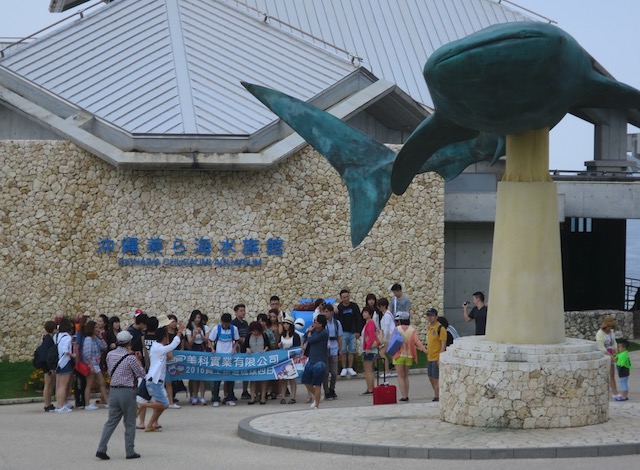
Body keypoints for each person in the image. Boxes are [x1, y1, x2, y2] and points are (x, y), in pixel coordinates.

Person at [95, 331, 146, 460]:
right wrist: (139, 359)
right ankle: (130, 451)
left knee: (111, 422)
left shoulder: (110, 355)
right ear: (129, 342)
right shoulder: (130, 358)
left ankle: (101, 448)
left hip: (113, 390)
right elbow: (141, 374)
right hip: (127, 391)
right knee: (129, 422)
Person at [143, 323, 184, 432]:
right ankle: (143, 405)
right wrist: (179, 332)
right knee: (164, 404)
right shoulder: (158, 348)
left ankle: (150, 425)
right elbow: (173, 345)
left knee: (159, 406)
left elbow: (169, 352)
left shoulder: (158, 347)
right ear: (164, 338)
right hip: (154, 381)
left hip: (156, 381)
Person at [391, 311, 427, 402]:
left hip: (399, 355)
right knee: (406, 376)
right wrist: (425, 350)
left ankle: (404, 396)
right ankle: (407, 394)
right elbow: (417, 341)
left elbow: (392, 341)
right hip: (409, 355)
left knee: (400, 376)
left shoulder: (396, 329)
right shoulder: (412, 330)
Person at [208, 313, 240, 407]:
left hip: (229, 356)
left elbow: (237, 340)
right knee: (217, 379)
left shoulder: (234, 329)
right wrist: (212, 349)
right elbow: (210, 340)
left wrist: (234, 348)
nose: (225, 325)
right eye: (224, 323)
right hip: (218, 357)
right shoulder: (216, 329)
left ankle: (229, 397)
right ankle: (216, 398)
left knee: (230, 378)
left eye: (227, 324)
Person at [302, 314, 329, 409]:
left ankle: (316, 405)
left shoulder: (324, 333)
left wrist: (309, 333)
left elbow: (311, 340)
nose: (314, 323)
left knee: (317, 384)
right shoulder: (313, 330)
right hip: (311, 359)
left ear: (321, 324)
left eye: (316, 322)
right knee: (305, 380)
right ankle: (317, 396)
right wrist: (308, 333)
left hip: (320, 361)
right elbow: (305, 337)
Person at [334, 289, 362, 377]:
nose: (346, 299)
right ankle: (344, 368)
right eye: (344, 297)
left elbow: (358, 319)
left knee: (352, 350)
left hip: (353, 332)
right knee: (343, 350)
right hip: (343, 332)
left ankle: (350, 367)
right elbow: (336, 321)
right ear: (341, 298)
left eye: (347, 296)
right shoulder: (339, 308)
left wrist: (358, 331)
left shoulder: (354, 306)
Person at [82, 320, 109, 410]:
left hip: (96, 364)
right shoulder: (88, 339)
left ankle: (107, 401)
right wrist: (91, 366)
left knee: (102, 383)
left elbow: (104, 347)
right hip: (91, 364)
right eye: (96, 328)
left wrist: (100, 337)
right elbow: (87, 353)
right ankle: (87, 404)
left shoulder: (95, 338)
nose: (98, 329)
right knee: (89, 384)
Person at [185, 309, 208, 405]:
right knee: (194, 375)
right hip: (193, 351)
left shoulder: (205, 327)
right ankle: (194, 396)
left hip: (202, 351)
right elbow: (189, 343)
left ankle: (202, 396)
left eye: (199, 317)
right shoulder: (189, 329)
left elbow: (207, 340)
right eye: (196, 317)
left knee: (202, 375)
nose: (197, 319)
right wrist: (194, 335)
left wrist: (201, 335)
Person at [244, 321, 270, 405]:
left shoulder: (264, 335)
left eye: (256, 331)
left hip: (262, 360)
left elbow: (268, 345)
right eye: (253, 331)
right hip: (252, 360)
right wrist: (247, 349)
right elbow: (245, 346)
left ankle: (263, 397)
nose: (255, 333)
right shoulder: (248, 336)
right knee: (253, 379)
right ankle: (253, 397)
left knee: (263, 379)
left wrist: (265, 350)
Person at [54, 317, 76, 412]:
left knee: (59, 385)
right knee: (63, 385)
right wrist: (72, 354)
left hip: (58, 362)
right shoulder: (67, 337)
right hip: (65, 362)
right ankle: (60, 405)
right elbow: (65, 350)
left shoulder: (57, 336)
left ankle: (60, 403)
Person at [322, 303, 343, 400]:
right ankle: (326, 391)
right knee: (325, 373)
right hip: (325, 349)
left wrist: (340, 349)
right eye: (324, 312)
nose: (325, 314)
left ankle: (332, 389)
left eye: (327, 312)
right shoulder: (322, 323)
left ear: (331, 312)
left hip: (334, 347)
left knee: (334, 372)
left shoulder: (336, 323)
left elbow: (339, 336)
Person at [425, 308, 447, 401]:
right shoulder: (429, 327)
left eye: (432, 315)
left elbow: (443, 344)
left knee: (435, 378)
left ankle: (437, 396)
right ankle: (437, 393)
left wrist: (440, 358)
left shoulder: (440, 328)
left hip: (436, 357)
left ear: (436, 316)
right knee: (430, 377)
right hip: (430, 357)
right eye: (428, 315)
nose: (430, 318)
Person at [596, 316, 620, 399]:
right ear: (605, 326)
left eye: (611, 326)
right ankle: (606, 392)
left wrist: (616, 350)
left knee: (612, 374)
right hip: (604, 355)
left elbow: (614, 342)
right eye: (609, 326)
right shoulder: (600, 334)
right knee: (604, 374)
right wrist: (609, 355)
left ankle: (615, 392)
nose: (610, 328)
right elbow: (601, 347)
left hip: (611, 353)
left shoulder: (611, 332)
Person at [278, 317, 301, 404]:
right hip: (283, 359)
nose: (285, 325)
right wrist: (279, 345)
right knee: (283, 379)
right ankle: (283, 397)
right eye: (284, 324)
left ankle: (293, 397)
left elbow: (298, 349)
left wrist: (291, 348)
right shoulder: (281, 335)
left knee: (292, 379)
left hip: (292, 360)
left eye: (287, 324)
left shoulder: (295, 336)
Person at [231, 304, 250, 401]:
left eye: (244, 310)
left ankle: (245, 391)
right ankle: (230, 392)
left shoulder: (246, 323)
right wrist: (240, 340)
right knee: (233, 372)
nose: (243, 312)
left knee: (246, 372)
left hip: (245, 350)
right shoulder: (233, 323)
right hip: (236, 350)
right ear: (236, 312)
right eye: (241, 311)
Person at [38, 320, 57, 412]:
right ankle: (47, 404)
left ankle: (48, 403)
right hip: (47, 365)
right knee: (48, 384)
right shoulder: (49, 340)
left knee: (49, 385)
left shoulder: (47, 338)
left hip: (47, 364)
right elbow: (48, 355)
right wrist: (50, 367)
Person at [359, 306, 378, 396]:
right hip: (368, 349)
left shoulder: (370, 323)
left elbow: (371, 337)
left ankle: (370, 389)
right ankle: (370, 387)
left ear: (370, 314)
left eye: (366, 312)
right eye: (363, 312)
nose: (364, 314)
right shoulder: (368, 323)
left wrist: (368, 348)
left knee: (368, 370)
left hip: (369, 350)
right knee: (368, 370)